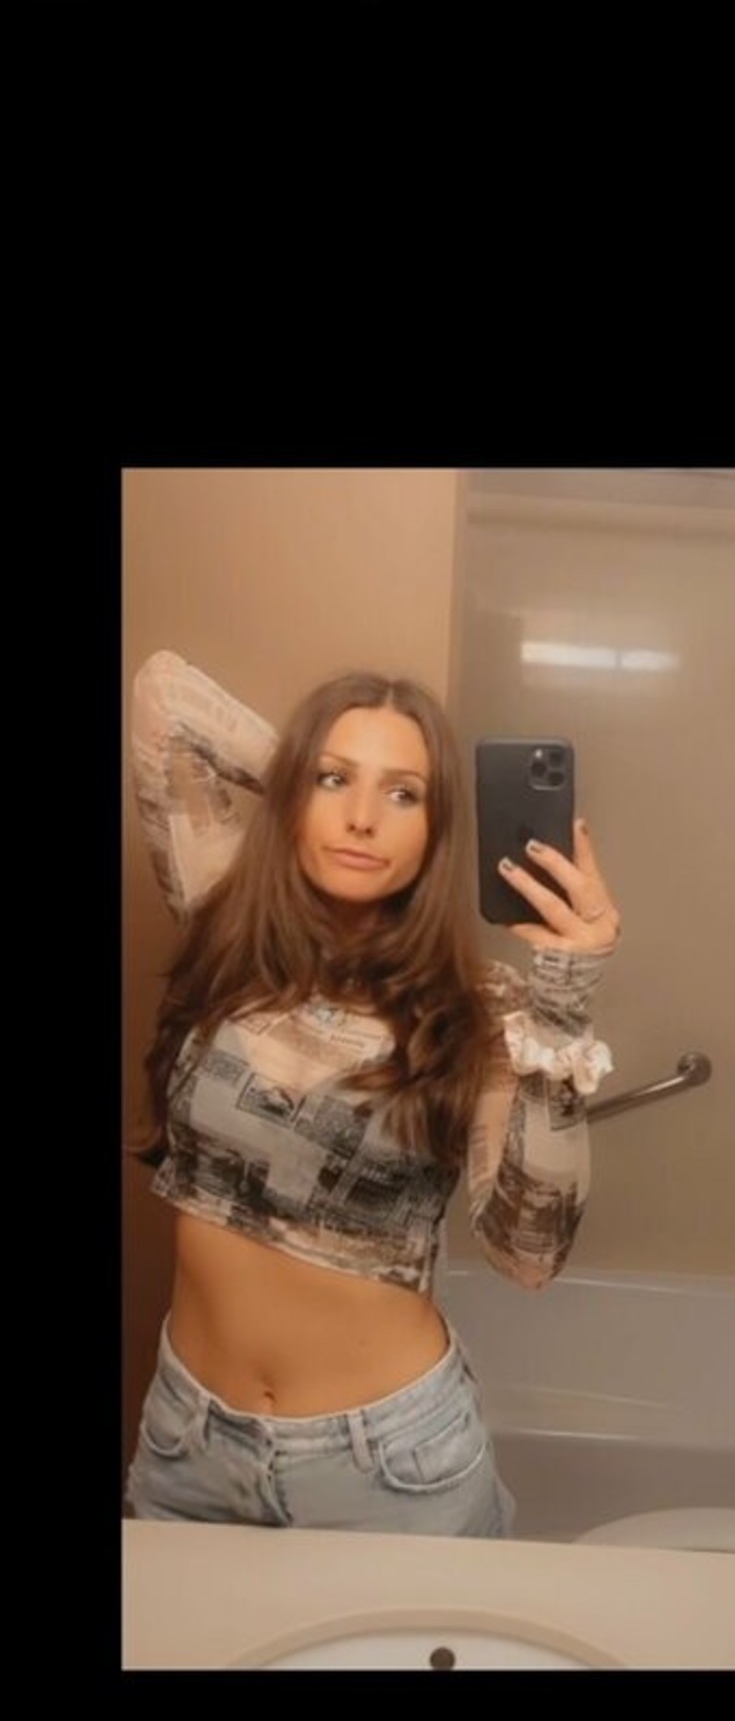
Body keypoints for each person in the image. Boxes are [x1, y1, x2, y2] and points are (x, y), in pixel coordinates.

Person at [126, 649, 620, 1536]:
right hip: (187, 1441)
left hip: (390, 1465)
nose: (361, 818)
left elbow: (528, 1254)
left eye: (404, 795)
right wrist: (302, 782)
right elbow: (165, 696)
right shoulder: (228, 922)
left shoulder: (482, 1011)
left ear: (438, 828)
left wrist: (561, 1006)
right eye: (334, 779)